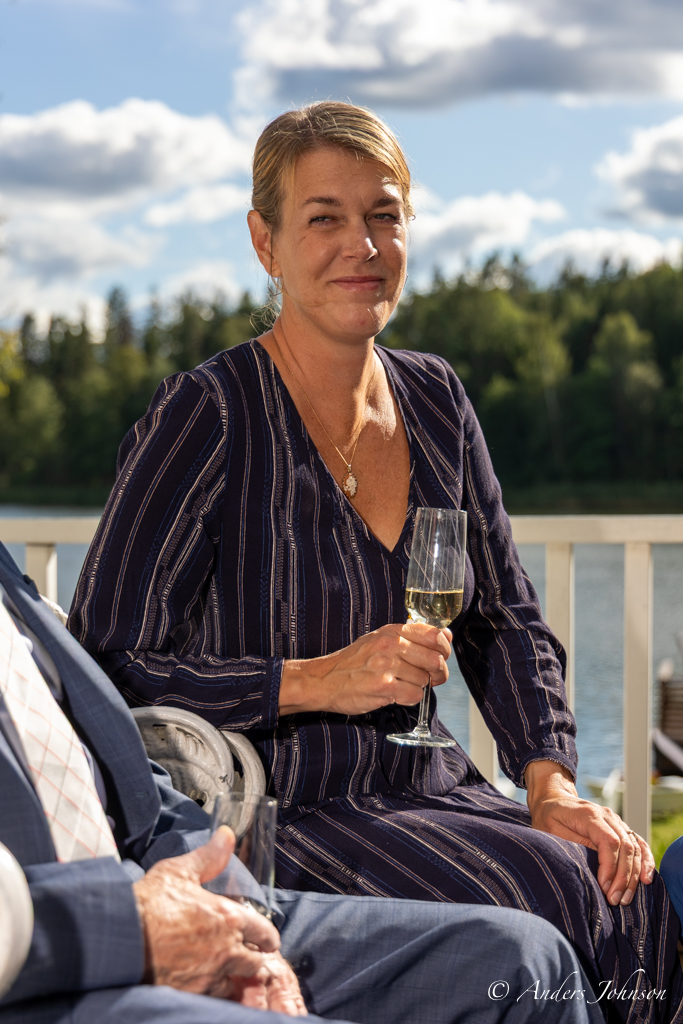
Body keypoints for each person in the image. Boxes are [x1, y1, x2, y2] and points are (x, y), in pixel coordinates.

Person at [69, 102, 683, 1022]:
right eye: (324, 217)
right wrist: (313, 679)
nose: (360, 245)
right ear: (266, 242)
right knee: (551, 896)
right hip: (283, 808)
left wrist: (551, 782)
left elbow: (505, 619)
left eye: (383, 215)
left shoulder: (435, 398)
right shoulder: (208, 414)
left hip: (429, 788)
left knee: (614, 881)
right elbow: (103, 665)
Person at [0, 539, 608, 1024]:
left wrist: (234, 907)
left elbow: (132, 779)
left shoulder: (7, 583)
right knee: (538, 884)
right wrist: (132, 927)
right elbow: (123, 659)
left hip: (180, 888)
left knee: (534, 957)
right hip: (55, 964)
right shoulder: (205, 426)